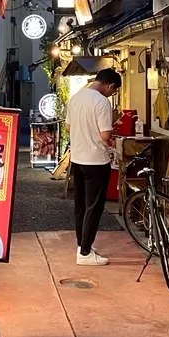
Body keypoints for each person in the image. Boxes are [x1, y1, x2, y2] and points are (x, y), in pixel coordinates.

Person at [65, 68, 121, 265]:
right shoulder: (102, 102)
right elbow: (105, 135)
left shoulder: (76, 97)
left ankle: (82, 245)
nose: (111, 94)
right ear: (110, 86)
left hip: (77, 160)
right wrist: (110, 136)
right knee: (94, 207)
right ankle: (85, 253)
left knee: (80, 206)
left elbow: (69, 127)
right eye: (113, 91)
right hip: (96, 161)